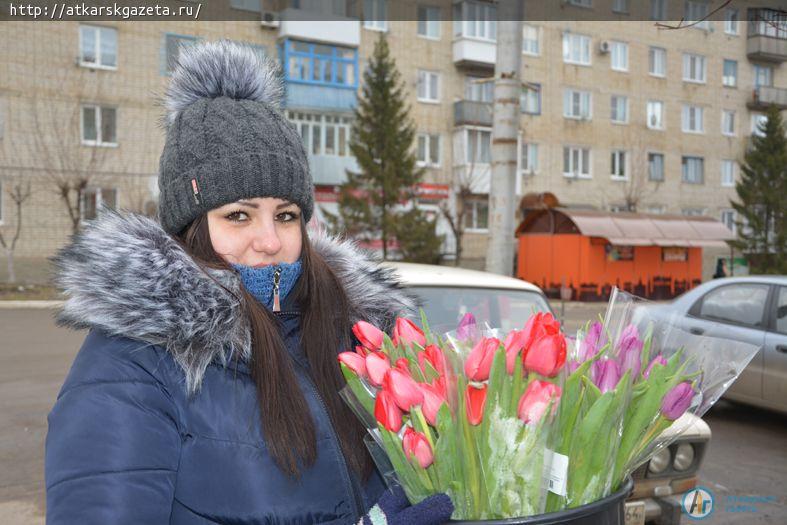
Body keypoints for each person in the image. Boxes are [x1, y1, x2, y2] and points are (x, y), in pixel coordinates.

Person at [45, 40, 453, 525]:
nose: (269, 240)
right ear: (190, 228)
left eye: (286, 215)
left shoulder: (358, 342)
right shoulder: (133, 365)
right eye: (238, 215)